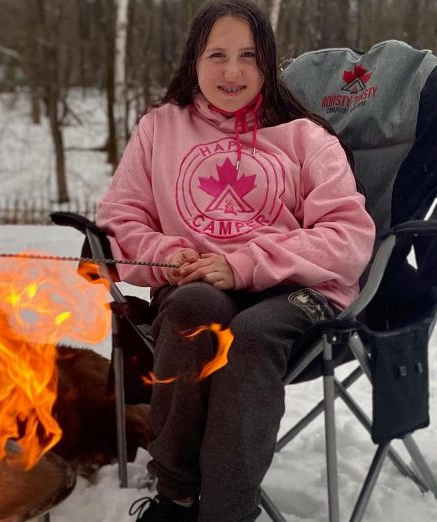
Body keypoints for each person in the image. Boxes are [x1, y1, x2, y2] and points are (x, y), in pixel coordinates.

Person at [96, 1, 375, 521]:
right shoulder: (160, 128)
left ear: (268, 62)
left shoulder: (305, 136)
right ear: (193, 61)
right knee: (192, 310)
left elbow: (349, 236)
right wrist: (168, 255)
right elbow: (120, 224)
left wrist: (249, 263)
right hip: (196, 280)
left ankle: (227, 512)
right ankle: (175, 495)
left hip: (294, 289)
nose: (232, 71)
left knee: (250, 335)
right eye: (216, 55)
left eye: (248, 56)